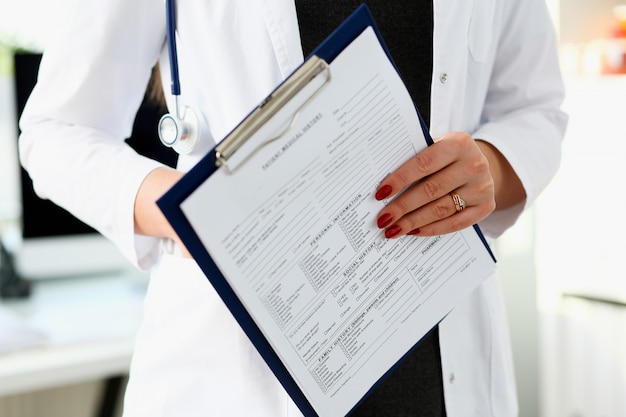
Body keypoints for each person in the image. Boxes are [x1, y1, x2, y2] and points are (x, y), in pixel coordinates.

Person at [18, 0, 567, 416]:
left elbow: (534, 107)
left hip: (440, 370)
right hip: (236, 370)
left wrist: (492, 167)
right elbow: (57, 132)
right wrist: (187, 210)